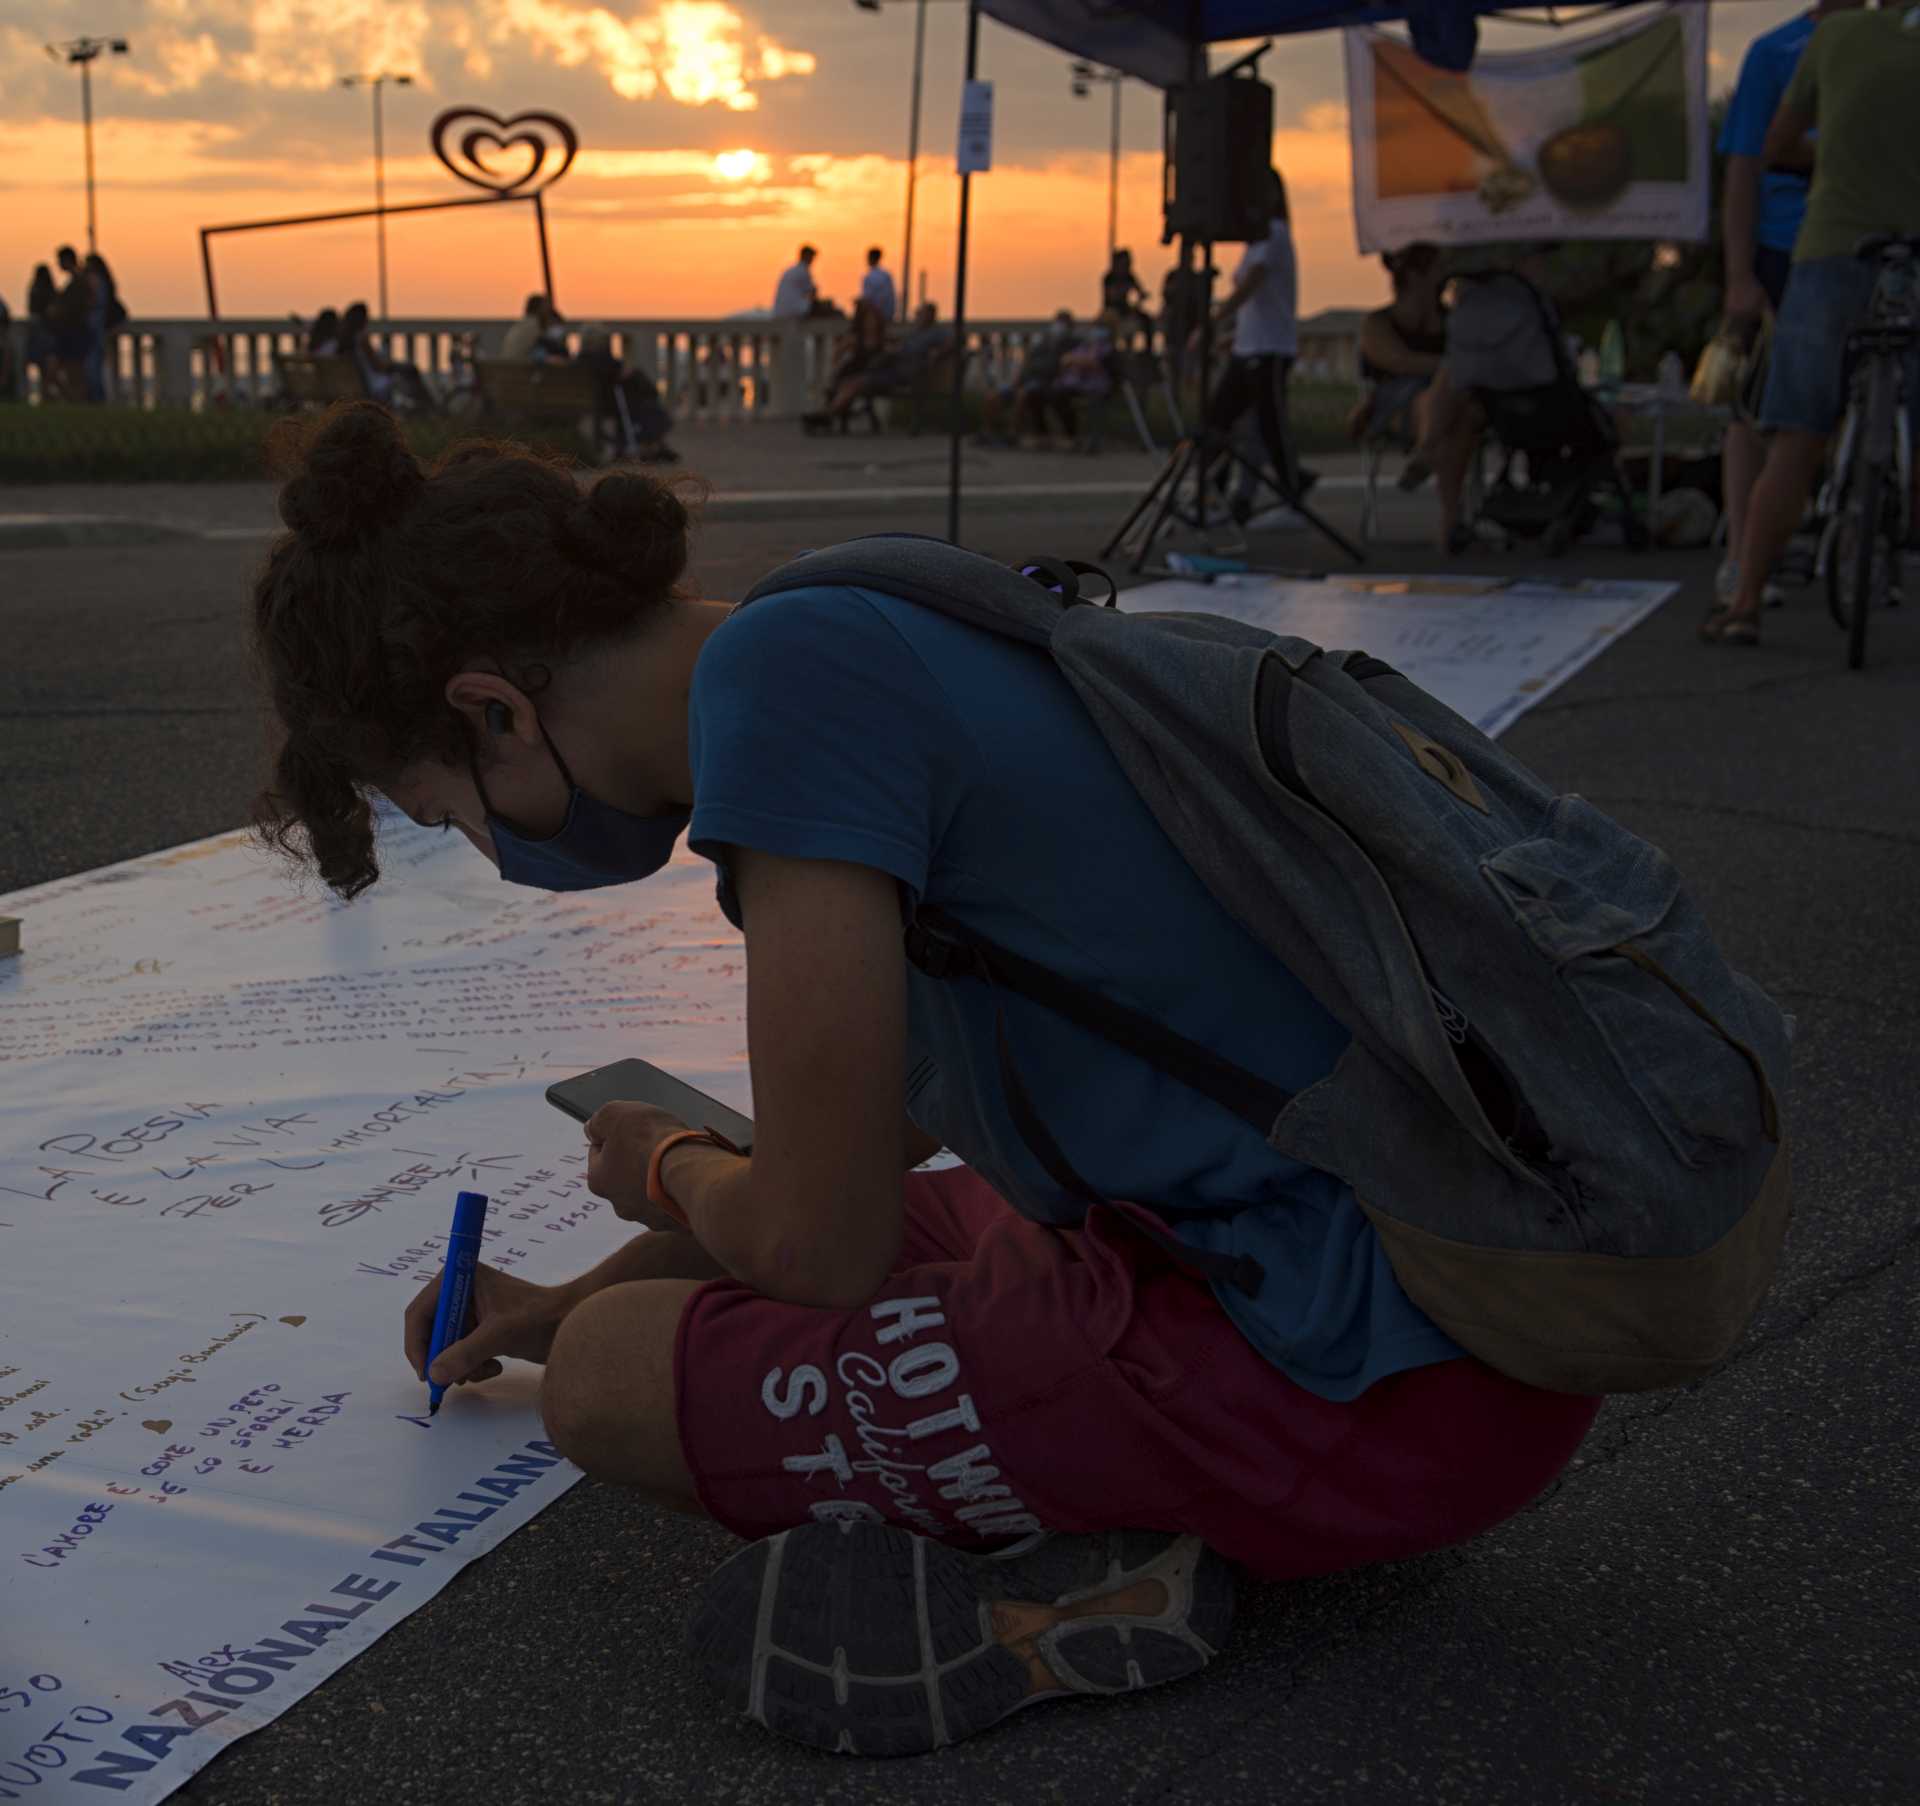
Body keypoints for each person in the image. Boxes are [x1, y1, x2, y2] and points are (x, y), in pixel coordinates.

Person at [249, 402, 1600, 1758]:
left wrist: (661, 1163)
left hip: (1375, 1385)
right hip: (1440, 1282)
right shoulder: (837, 618)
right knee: (698, 1286)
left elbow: (814, 1241)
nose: (491, 857)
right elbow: (873, 1142)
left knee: (608, 1383)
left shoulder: (780, 716)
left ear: (493, 710)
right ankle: (1119, 1476)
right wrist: (555, 1300)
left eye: (453, 816)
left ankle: (1108, 1551)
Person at [1706, 1, 1920, 646]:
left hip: (1832, 246)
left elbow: (1771, 148)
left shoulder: (1833, 38)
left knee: (1795, 436)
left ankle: (1743, 602)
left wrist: (1835, 153)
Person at [1712, 2, 1861, 612]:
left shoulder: (1887, 40)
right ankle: (1741, 562)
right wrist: (1740, 274)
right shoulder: (1776, 50)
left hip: (1865, 242)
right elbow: (1744, 167)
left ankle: (1859, 540)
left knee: (1854, 404)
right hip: (1785, 248)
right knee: (1759, 412)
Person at [1404, 244, 1565, 552]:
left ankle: (1430, 460)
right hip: (1510, 406)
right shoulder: (1519, 309)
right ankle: (1450, 519)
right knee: (1461, 418)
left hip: (1504, 405)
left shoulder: (1512, 311)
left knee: (1452, 386)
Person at [1193, 169, 1306, 523]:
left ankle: (1293, 498)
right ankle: (1212, 495)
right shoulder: (1255, 242)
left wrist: (1214, 322)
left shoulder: (1275, 235)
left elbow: (1252, 287)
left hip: (1271, 349)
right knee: (1218, 420)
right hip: (1247, 348)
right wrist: (1234, 335)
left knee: (1271, 426)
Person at [1347, 243, 1448, 448]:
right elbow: (1401, 362)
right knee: (1438, 397)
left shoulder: (1451, 319)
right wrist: (1454, 366)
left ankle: (1428, 458)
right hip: (1399, 401)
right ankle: (1428, 452)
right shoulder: (1378, 324)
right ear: (1413, 276)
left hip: (1449, 394)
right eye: (1436, 270)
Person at [576, 323, 679, 464]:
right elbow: (620, 372)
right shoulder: (600, 358)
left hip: (600, 399)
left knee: (644, 403)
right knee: (645, 405)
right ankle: (651, 445)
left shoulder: (582, 358)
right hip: (612, 401)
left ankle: (651, 445)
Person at [340, 300, 438, 412]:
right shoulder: (361, 340)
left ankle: (426, 407)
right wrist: (393, 365)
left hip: (364, 383)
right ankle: (430, 408)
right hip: (375, 384)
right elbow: (378, 367)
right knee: (411, 371)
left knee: (408, 371)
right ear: (362, 320)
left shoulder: (344, 341)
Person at [82, 252, 126, 404]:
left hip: (95, 329)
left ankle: (97, 397)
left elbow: (95, 303)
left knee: (93, 365)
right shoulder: (105, 282)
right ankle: (98, 396)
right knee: (96, 364)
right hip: (98, 328)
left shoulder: (97, 283)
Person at [501, 293, 569, 363]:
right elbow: (550, 343)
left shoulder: (522, 324)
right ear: (539, 308)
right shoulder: (535, 325)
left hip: (511, 365)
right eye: (546, 308)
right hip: (523, 366)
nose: (548, 311)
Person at [24, 264, 58, 398]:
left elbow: (32, 310)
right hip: (48, 331)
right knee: (47, 365)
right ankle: (47, 392)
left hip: (39, 331)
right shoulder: (51, 291)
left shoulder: (35, 290)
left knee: (41, 363)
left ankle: (46, 393)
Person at [1100, 247, 1149, 335]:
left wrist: (1142, 295)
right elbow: (1112, 296)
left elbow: (1140, 291)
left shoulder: (1130, 276)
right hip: (1112, 310)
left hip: (1126, 309)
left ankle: (1148, 348)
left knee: (1147, 320)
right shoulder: (1109, 277)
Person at [771, 245, 818, 320]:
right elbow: (812, 292)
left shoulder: (791, 270)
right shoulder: (803, 271)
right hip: (795, 312)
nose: (812, 260)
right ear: (806, 256)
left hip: (779, 313)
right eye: (811, 257)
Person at [859, 247, 896, 323]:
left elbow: (868, 298)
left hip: (877, 313)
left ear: (872, 258)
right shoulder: (886, 275)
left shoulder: (871, 277)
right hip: (885, 313)